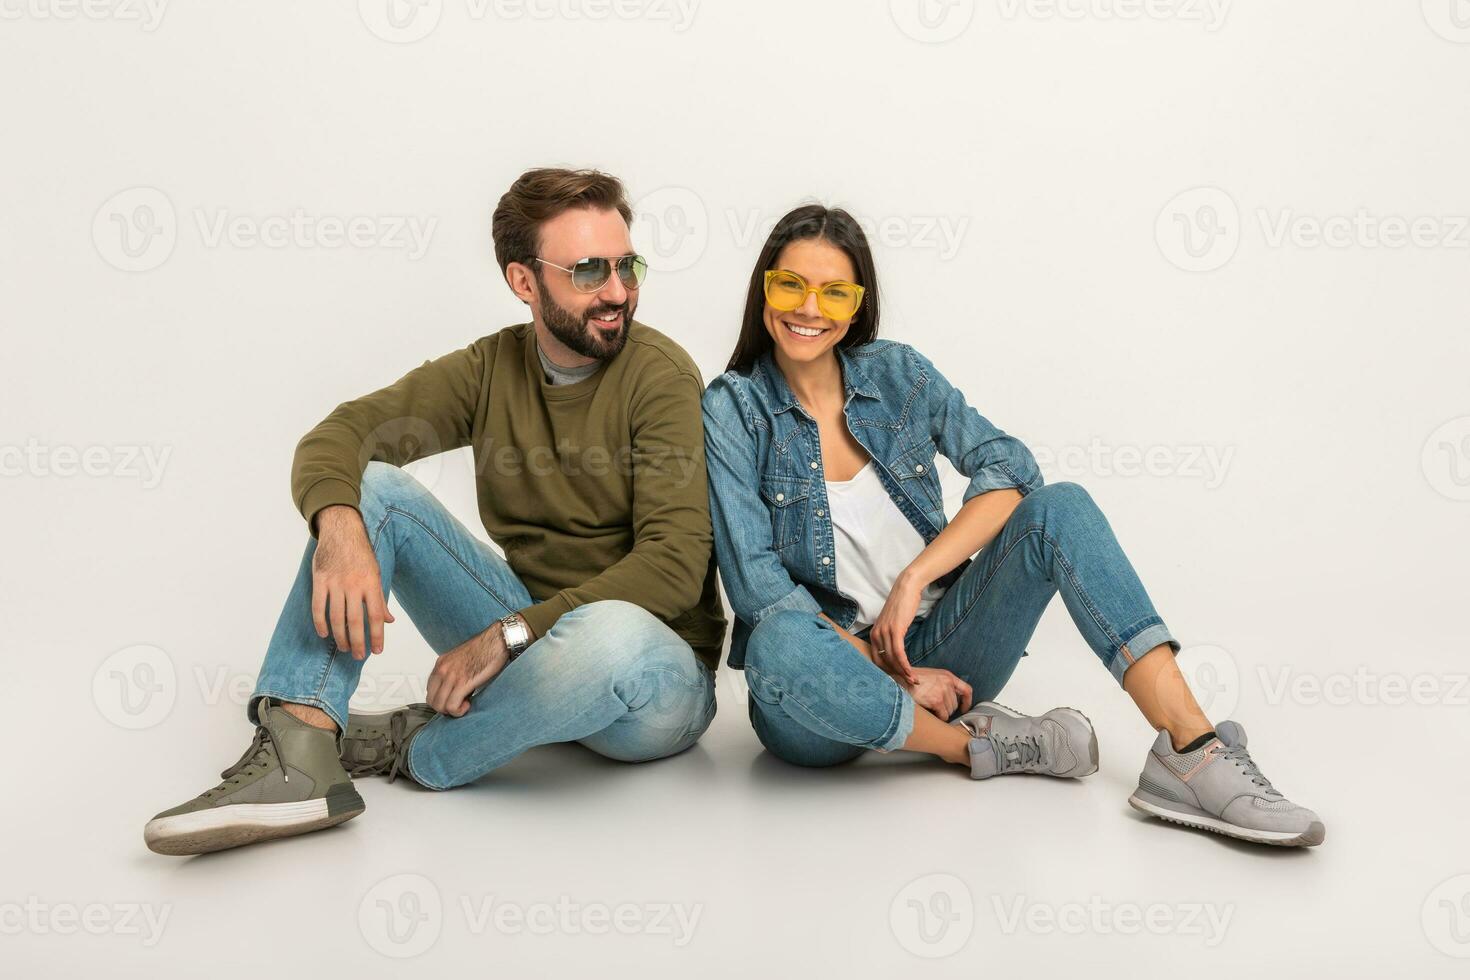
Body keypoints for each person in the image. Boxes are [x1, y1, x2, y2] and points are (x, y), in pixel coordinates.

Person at [701, 204, 1324, 847]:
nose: (809, 308)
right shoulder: (734, 408)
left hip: (946, 649)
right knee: (775, 638)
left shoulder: (897, 374)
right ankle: (973, 746)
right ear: (763, 288)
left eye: (834, 292)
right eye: (790, 285)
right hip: (820, 694)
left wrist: (916, 578)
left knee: (1063, 506)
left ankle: (1193, 753)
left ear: (857, 305)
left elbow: (1009, 468)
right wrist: (897, 677)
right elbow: (760, 592)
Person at [144, 168, 725, 855]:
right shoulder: (489, 370)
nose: (619, 292)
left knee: (611, 637)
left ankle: (414, 748)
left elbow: (672, 569)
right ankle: (298, 750)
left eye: (627, 265)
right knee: (374, 491)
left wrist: (512, 632)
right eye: (590, 270)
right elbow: (342, 435)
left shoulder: (659, 375)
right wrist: (338, 524)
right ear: (524, 281)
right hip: (534, 638)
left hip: (655, 679)